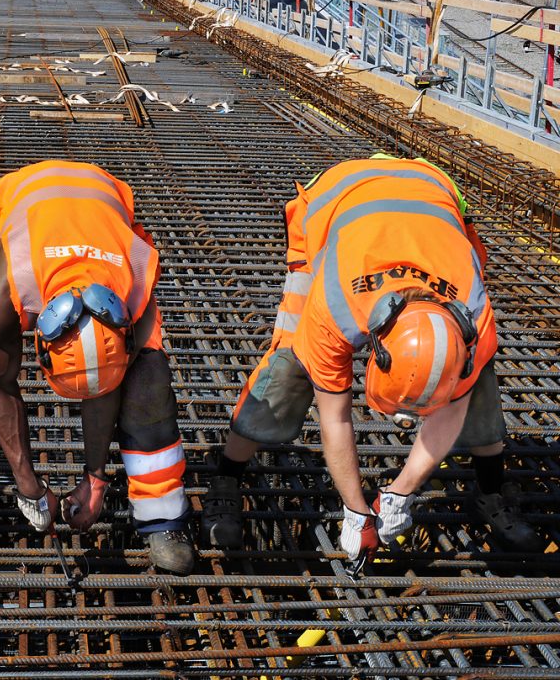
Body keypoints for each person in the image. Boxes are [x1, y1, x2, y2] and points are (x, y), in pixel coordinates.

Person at [201, 156, 541, 570]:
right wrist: (355, 509)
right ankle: (226, 476)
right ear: (376, 349)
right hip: (335, 202)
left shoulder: (475, 319)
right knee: (290, 362)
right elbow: (336, 418)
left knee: (477, 379)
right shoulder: (336, 307)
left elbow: (453, 408)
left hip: (430, 196)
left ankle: (491, 490)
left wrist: (402, 491)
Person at [0, 160, 195, 574]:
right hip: (25, 210)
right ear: (42, 345)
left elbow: (102, 384)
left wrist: (95, 477)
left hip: (101, 215)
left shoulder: (135, 282)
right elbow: (2, 385)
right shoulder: (9, 279)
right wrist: (28, 486)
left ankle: (162, 517)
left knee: (147, 384)